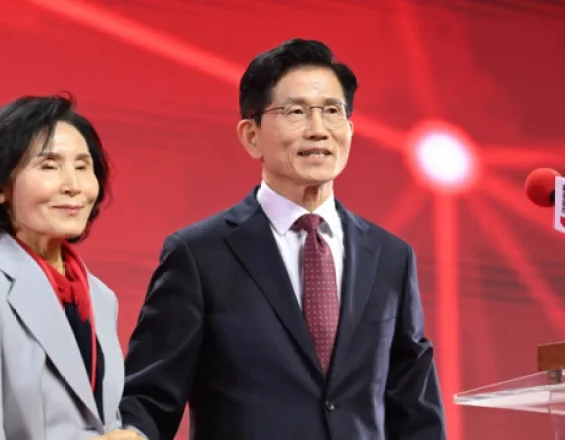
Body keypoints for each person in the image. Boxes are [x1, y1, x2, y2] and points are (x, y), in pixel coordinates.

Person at [120, 39, 446, 440]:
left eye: (332, 111)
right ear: (251, 135)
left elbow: (414, 410)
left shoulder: (391, 257)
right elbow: (150, 399)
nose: (318, 130)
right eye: (296, 112)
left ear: (349, 129)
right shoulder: (199, 255)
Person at [0, 94, 142, 440]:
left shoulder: (101, 297)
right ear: (0, 188)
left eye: (82, 166)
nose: (73, 186)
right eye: (49, 166)